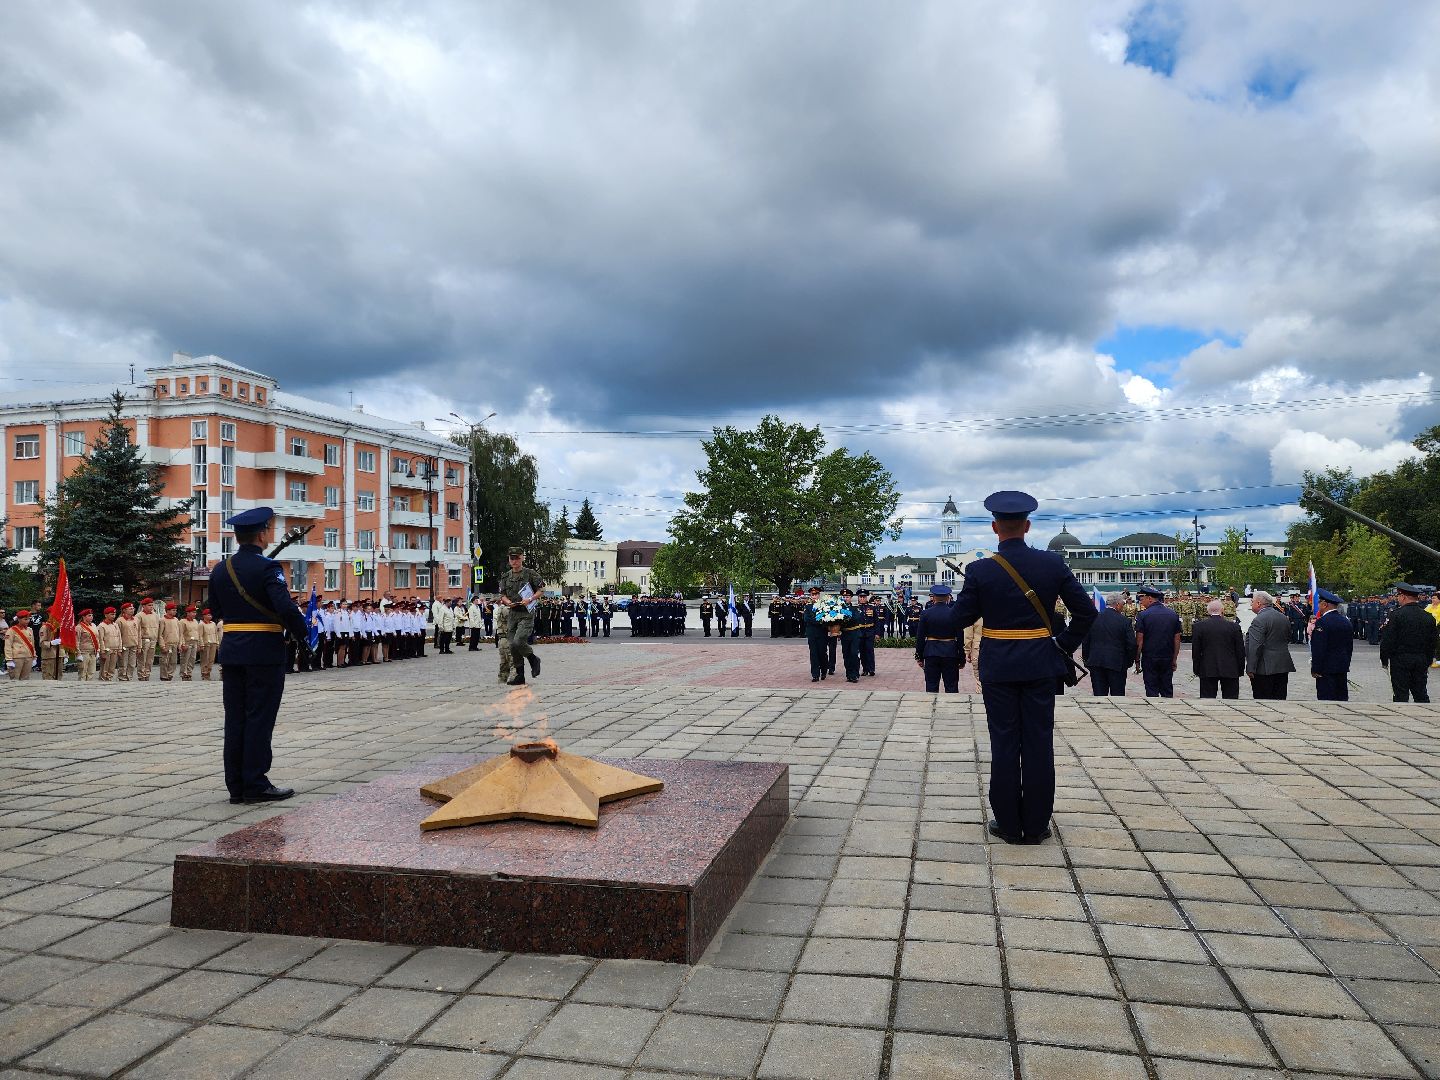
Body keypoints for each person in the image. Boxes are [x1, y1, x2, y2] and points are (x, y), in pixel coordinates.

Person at [949, 491, 1095, 845]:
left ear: (995, 527)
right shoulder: (1052, 564)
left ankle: (1009, 823)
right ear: (1027, 526)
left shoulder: (980, 569)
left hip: (999, 666)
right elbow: (1086, 612)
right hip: (1041, 665)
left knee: (1004, 743)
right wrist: (1061, 644)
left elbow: (959, 618)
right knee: (1038, 743)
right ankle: (1037, 823)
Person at [208, 506, 310, 804]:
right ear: (262, 534)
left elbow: (216, 610)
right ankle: (255, 783)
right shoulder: (268, 568)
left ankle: (236, 786)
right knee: (259, 719)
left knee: (236, 718)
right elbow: (285, 606)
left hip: (232, 650)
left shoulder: (220, 569)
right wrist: (303, 633)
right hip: (264, 652)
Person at [1380, 582, 1437, 703]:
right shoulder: (1428, 617)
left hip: (1401, 659)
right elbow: (1433, 642)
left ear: (1403, 597)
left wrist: (1384, 659)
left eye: (1399, 596)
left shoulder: (1396, 615)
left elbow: (1388, 640)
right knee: (1420, 693)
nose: (1398, 599)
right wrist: (1428, 660)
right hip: (1421, 659)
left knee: (1400, 694)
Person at [497, 546, 544, 685]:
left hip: (526, 613)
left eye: (517, 558)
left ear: (522, 558)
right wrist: (507, 602)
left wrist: (530, 599)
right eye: (512, 558)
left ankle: (533, 659)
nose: (514, 561)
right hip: (513, 613)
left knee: (518, 641)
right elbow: (502, 595)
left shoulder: (530, 574)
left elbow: (541, 590)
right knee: (512, 645)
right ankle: (520, 675)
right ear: (509, 559)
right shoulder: (506, 577)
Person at [1245, 590, 1296, 700]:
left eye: (1252, 601)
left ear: (1258, 603)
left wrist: (1250, 667)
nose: (1250, 603)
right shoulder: (1283, 617)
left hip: (1264, 668)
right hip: (1282, 665)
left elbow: (1255, 646)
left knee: (1263, 701)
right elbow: (1287, 638)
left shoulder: (1259, 620)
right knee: (1279, 699)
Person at [1082, 594, 1136, 696]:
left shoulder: (1093, 619)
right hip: (1117, 663)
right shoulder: (1124, 621)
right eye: (1122, 605)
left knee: (1099, 696)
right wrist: (1128, 662)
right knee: (1117, 696)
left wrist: (1087, 660)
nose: (1123, 607)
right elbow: (1131, 644)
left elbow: (1085, 641)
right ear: (1118, 605)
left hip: (1096, 662)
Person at [1192, 598, 1246, 699]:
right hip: (1230, 669)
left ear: (1208, 611)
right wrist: (1240, 669)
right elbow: (1240, 650)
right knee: (1231, 700)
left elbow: (1196, 651)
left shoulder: (1199, 627)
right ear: (1222, 610)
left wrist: (1197, 669)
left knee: (1207, 699)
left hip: (1207, 668)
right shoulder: (1234, 627)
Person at [914, 583, 963, 692]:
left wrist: (919, 656)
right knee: (951, 686)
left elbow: (920, 637)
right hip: (950, 653)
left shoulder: (925, 613)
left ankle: (932, 708)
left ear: (934, 597)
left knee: (931, 686)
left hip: (931, 652)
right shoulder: (955, 614)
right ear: (947, 597)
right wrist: (962, 658)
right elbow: (960, 637)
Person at [1133, 586, 1181, 697]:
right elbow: (1177, 639)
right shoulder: (1172, 614)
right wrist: (1174, 659)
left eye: (1142, 598)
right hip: (1167, 657)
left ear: (1150, 598)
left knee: (1151, 688)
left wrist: (1137, 660)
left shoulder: (1143, 615)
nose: (1141, 601)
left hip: (1150, 657)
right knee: (1167, 688)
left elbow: (1139, 641)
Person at [1310, 589, 1352, 700]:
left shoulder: (1322, 622)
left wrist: (1316, 668)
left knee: (1327, 700)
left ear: (1325, 604)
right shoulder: (1345, 621)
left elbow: (1319, 648)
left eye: (1319, 602)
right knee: (1341, 698)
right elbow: (1349, 647)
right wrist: (1346, 664)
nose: (1318, 605)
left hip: (1326, 669)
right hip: (1341, 667)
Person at [802, 586, 830, 681]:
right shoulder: (808, 606)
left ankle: (824, 671)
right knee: (813, 654)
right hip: (812, 633)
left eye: (816, 594)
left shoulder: (824, 606)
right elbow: (806, 619)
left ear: (819, 595)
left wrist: (818, 620)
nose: (814, 596)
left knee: (822, 653)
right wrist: (819, 621)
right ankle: (815, 674)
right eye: (812, 595)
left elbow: (827, 618)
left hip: (822, 633)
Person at [5, 610, 35, 680]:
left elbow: (32, 644)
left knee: (25, 679)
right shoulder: (12, 630)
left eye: (28, 619)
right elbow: (8, 646)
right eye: (25, 619)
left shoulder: (30, 630)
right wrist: (9, 660)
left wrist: (34, 656)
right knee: (15, 678)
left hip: (28, 656)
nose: (27, 621)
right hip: (17, 657)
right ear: (19, 619)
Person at [136, 597, 160, 680]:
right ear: (144, 606)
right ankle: (141, 676)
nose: (151, 607)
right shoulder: (139, 616)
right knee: (142, 659)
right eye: (149, 605)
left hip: (153, 639)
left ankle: (147, 675)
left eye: (152, 605)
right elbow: (137, 630)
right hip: (144, 639)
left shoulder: (156, 615)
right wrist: (139, 642)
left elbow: (157, 627)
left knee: (150, 660)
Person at [76, 609, 100, 680]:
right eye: (89, 615)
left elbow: (97, 639)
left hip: (93, 652)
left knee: (91, 672)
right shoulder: (79, 627)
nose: (91, 617)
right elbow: (76, 641)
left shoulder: (93, 626)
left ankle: (89, 688)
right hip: (84, 652)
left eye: (92, 615)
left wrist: (98, 650)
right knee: (83, 672)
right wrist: (78, 653)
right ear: (83, 617)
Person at [199, 608, 221, 681]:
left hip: (213, 642)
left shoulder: (213, 623)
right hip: (206, 643)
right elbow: (200, 635)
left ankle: (208, 673)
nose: (210, 616)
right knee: (205, 660)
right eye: (208, 615)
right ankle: (204, 674)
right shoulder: (201, 624)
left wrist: (217, 642)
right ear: (204, 616)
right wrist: (201, 644)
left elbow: (216, 634)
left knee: (211, 660)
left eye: (211, 615)